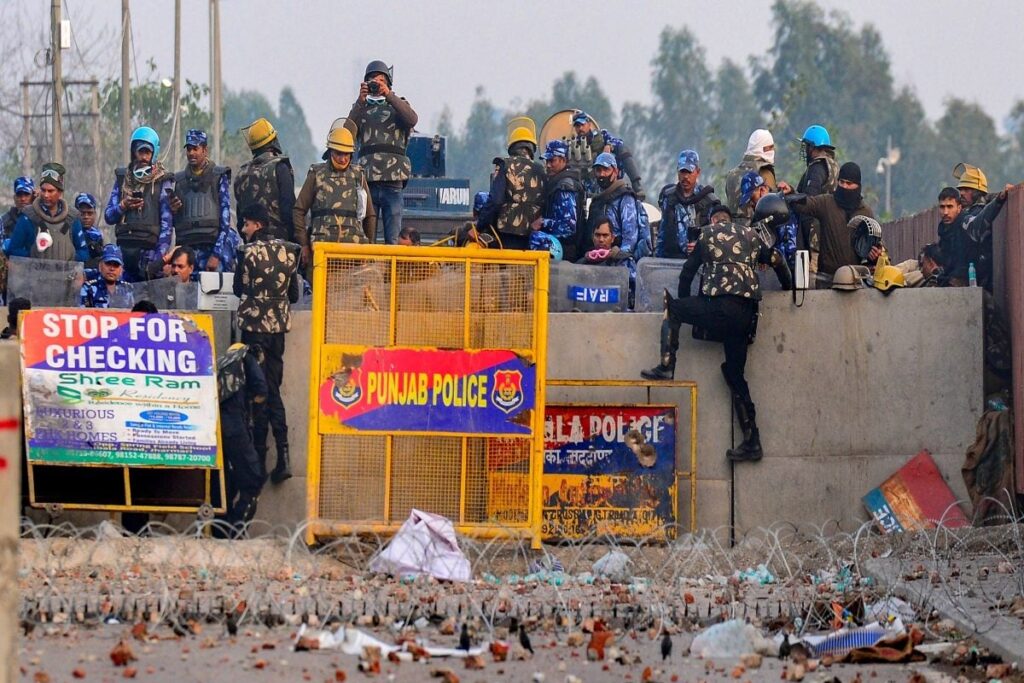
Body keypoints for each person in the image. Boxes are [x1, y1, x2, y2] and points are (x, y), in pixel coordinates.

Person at [641, 196, 793, 462]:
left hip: (719, 309)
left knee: (673, 307)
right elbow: (777, 259)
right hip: (746, 315)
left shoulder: (707, 235)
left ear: (712, 221)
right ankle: (752, 440)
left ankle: (666, 365)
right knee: (734, 373)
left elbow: (687, 273)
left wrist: (687, 306)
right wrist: (788, 287)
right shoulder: (749, 235)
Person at [233, 203, 300, 485]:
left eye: (246, 224)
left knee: (256, 393)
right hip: (277, 334)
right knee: (273, 390)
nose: (243, 229)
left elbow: (238, 289)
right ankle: (283, 458)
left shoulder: (247, 253)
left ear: (257, 225)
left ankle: (259, 460)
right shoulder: (288, 252)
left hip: (253, 331)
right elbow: (294, 295)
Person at [347, 60, 418, 244]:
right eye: (372, 81)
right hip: (368, 182)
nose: (376, 84)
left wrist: (389, 96)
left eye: (380, 80)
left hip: (392, 183)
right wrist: (359, 103)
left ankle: (391, 272)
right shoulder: (362, 109)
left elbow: (412, 119)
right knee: (366, 238)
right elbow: (346, 133)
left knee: (392, 239)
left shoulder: (398, 105)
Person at [293, 126, 376, 269]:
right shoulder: (316, 174)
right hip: (321, 251)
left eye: (347, 154)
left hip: (353, 252)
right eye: (339, 153)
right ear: (330, 151)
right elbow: (298, 210)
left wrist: (368, 249)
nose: (343, 159)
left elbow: (370, 215)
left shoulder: (359, 176)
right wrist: (304, 245)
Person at [783, 162, 877, 280]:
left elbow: (877, 245)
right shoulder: (827, 203)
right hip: (826, 281)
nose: (844, 187)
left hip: (855, 281)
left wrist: (875, 254)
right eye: (841, 182)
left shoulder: (865, 212)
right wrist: (791, 192)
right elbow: (806, 204)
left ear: (857, 185)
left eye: (849, 183)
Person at [104, 126, 174, 281]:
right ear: (133, 152)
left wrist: (157, 261)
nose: (143, 157)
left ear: (153, 154)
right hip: (124, 253)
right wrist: (123, 206)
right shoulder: (122, 179)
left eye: (147, 152)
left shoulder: (163, 181)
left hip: (149, 253)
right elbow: (108, 216)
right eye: (140, 152)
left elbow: (167, 225)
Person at [214, 342, 269, 537]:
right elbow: (262, 390)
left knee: (224, 482)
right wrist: (252, 404)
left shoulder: (221, 363)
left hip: (216, 429)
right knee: (255, 478)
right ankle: (237, 528)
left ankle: (219, 531)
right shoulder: (247, 356)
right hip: (236, 427)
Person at [170, 128, 238, 273]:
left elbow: (225, 221)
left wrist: (217, 254)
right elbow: (173, 223)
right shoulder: (179, 180)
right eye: (188, 149)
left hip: (213, 245)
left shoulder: (218, 176)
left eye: (195, 148)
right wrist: (174, 210)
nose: (191, 153)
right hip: (188, 249)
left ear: (205, 150)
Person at [476, 119, 545, 250]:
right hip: (533, 237)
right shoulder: (542, 169)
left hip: (507, 235)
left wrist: (479, 226)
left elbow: (495, 201)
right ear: (531, 147)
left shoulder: (505, 165)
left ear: (512, 147)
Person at [4, 162, 89, 262]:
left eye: (50, 191)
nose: (46, 195)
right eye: (43, 190)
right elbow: (13, 249)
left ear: (60, 192)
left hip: (64, 275)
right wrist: (32, 255)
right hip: (34, 274)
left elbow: (84, 252)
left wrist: (68, 256)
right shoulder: (28, 217)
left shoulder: (71, 218)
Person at [234, 117, 296, 241]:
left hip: (250, 248)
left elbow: (240, 218)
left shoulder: (241, 173)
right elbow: (288, 211)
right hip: (279, 247)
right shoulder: (281, 168)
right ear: (273, 141)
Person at [953, 163, 1012, 291]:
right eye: (960, 189)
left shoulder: (981, 208)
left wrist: (1004, 195)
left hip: (986, 284)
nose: (961, 193)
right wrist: (998, 199)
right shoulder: (963, 216)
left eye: (966, 189)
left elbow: (986, 202)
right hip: (971, 285)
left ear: (977, 192)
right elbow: (976, 227)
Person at [587, 153, 650, 263]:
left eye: (606, 170)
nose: (602, 174)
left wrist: (618, 254)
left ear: (615, 172)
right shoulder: (597, 200)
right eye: (598, 170)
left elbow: (630, 236)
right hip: (598, 257)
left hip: (620, 259)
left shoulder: (625, 198)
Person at [794, 124, 839, 277]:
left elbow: (808, 203)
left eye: (807, 146)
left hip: (815, 239)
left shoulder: (817, 168)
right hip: (829, 237)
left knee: (812, 280)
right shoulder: (833, 167)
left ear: (813, 147)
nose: (805, 150)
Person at [656, 150, 718, 259]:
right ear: (677, 172)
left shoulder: (708, 200)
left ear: (698, 172)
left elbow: (717, 237)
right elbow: (662, 234)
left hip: (698, 263)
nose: (685, 177)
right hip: (670, 262)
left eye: (689, 172)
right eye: (682, 172)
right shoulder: (669, 197)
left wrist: (700, 246)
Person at [569, 109, 643, 198]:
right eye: (577, 126)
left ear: (589, 124)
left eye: (582, 125)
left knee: (623, 149)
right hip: (589, 180)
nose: (580, 128)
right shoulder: (573, 145)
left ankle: (637, 186)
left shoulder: (601, 136)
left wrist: (609, 145)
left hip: (609, 174)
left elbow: (619, 143)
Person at [532, 140, 584, 261]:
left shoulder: (564, 187)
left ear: (563, 160)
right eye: (547, 161)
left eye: (552, 161)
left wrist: (543, 222)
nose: (548, 165)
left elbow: (568, 227)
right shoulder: (556, 183)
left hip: (565, 252)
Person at [739, 172, 798, 273]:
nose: (751, 204)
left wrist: (770, 258)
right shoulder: (759, 216)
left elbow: (789, 249)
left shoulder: (780, 209)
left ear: (762, 190)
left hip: (790, 269)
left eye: (752, 198)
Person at [724, 129, 777, 214]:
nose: (772, 150)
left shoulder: (731, 174)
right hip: (755, 225)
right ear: (762, 148)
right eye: (770, 147)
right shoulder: (764, 170)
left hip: (733, 225)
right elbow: (773, 202)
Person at [80, 244, 134, 309]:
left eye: (116, 265)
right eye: (108, 264)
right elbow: (82, 314)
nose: (112, 269)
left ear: (121, 269)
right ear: (100, 266)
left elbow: (134, 315)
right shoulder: (88, 288)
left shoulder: (128, 288)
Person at [935, 186, 967, 285]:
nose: (945, 212)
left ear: (959, 208)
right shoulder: (944, 229)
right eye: (942, 207)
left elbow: (959, 268)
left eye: (949, 207)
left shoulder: (963, 228)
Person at [74, 193, 105, 268]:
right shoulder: (69, 231)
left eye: (90, 213)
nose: (86, 217)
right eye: (82, 213)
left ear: (95, 214)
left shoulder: (97, 235)